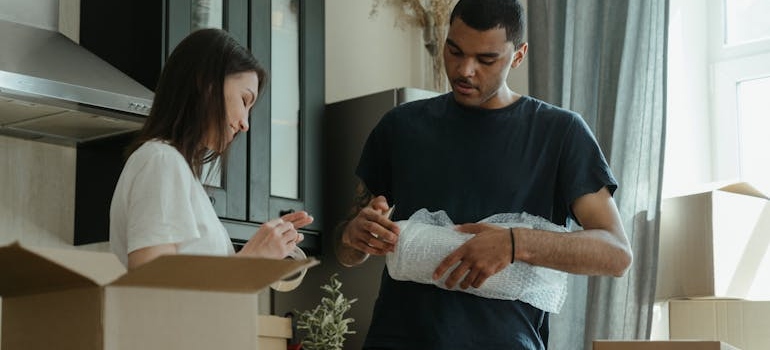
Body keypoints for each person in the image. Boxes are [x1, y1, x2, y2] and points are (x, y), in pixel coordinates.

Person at [334, 0, 633, 348]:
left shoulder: (560, 133)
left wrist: (515, 243)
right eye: (455, 51)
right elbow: (347, 252)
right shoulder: (399, 127)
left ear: (518, 56)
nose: (465, 70)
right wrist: (354, 237)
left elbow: (616, 254)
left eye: (486, 60)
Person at [110, 28, 312, 269]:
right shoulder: (161, 160)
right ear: (206, 84)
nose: (245, 124)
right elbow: (152, 288)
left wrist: (261, 254)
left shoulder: (178, 171)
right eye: (244, 100)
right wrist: (252, 259)